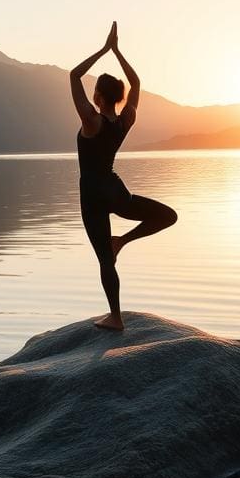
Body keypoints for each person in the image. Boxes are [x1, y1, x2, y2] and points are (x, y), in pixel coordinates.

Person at [70, 22, 178, 330]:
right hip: (117, 192)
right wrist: (118, 52)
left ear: (100, 96)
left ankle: (115, 317)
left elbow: (73, 75)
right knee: (167, 216)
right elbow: (137, 82)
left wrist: (104, 49)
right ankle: (124, 241)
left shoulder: (92, 121)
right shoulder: (125, 120)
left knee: (105, 260)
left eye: (95, 93)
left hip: (92, 195)